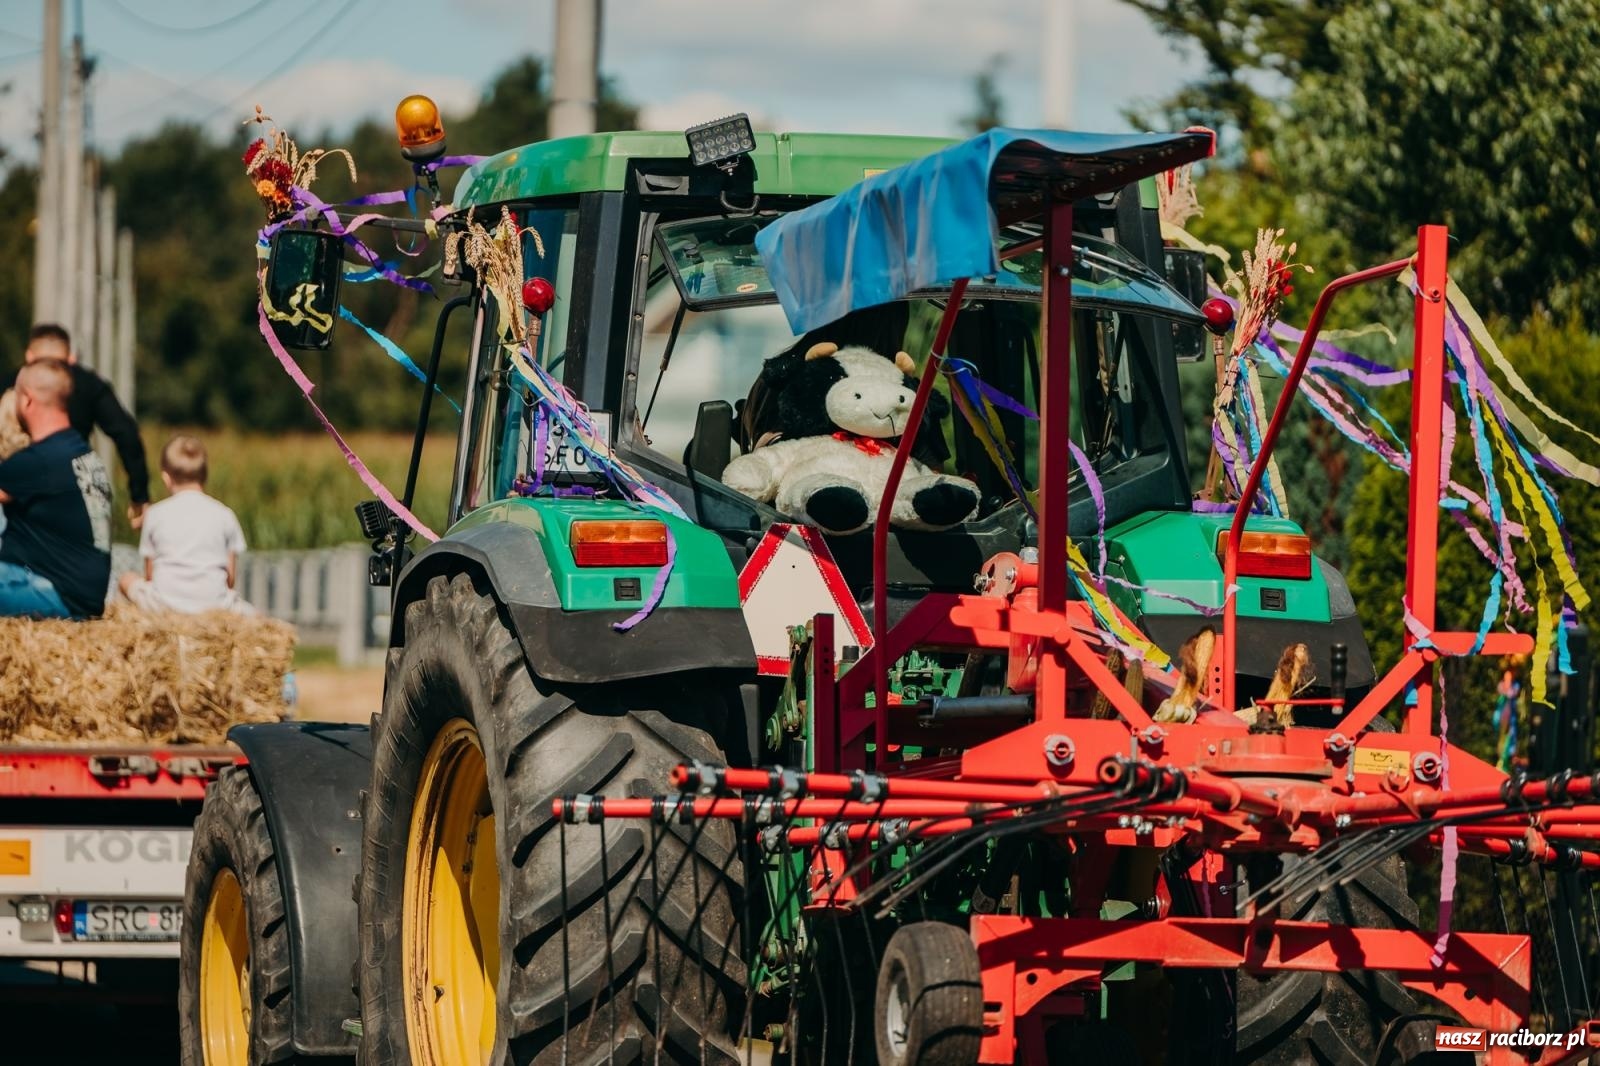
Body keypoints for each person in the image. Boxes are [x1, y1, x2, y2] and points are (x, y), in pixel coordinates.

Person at [4, 324, 150, 527]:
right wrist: (139, 495)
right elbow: (126, 433)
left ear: (29, 356)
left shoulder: (14, 383)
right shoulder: (88, 384)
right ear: (70, 359)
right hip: (75, 483)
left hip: (15, 491)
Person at [0, 359, 112, 619]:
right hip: (82, 596)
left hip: (52, 593)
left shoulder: (41, 460)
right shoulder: (81, 453)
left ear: (27, 400)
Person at [118, 435, 252, 615]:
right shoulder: (225, 515)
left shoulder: (155, 515)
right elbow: (230, 579)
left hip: (164, 606)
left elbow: (151, 576)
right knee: (256, 617)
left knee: (126, 579)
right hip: (214, 607)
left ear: (166, 478)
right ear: (205, 475)